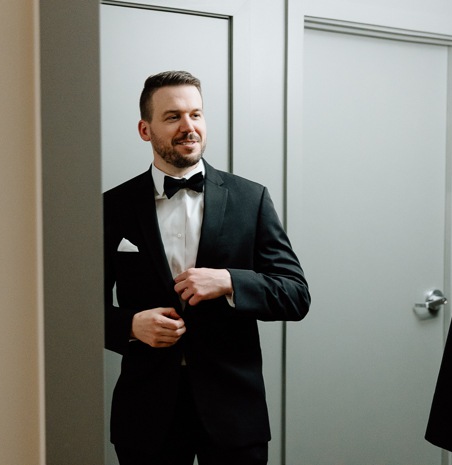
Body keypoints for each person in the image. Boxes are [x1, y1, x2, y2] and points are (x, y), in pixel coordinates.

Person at [103, 70, 310, 465]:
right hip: (146, 413)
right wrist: (130, 326)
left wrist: (230, 281)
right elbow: (75, 311)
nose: (188, 127)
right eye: (173, 117)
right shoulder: (111, 207)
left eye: (196, 114)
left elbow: (296, 294)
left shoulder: (251, 198)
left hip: (235, 411)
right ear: (145, 130)